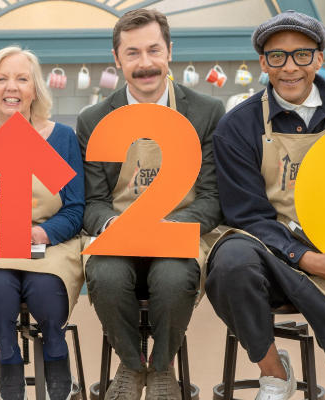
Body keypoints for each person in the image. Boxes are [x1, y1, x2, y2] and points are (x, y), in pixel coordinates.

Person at [205, 10, 325, 400]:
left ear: (320, 58)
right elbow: (247, 215)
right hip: (264, 261)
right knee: (230, 260)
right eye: (277, 56)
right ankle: (274, 374)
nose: (290, 67)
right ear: (263, 63)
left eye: (303, 55)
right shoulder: (238, 125)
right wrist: (308, 260)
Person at [77, 9, 224, 400]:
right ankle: (130, 363)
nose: (145, 64)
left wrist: (166, 229)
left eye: (154, 50)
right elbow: (92, 202)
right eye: (133, 53)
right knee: (105, 278)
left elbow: (211, 198)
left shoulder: (206, 112)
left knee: (173, 279)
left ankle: (161, 369)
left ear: (170, 52)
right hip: (119, 234)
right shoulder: (93, 120)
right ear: (117, 59)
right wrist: (115, 226)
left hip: (180, 230)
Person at [0, 46, 85, 400]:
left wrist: (39, 232)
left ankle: (56, 348)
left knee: (43, 290)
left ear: (35, 89)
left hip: (49, 245)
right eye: (2, 79)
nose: (12, 87)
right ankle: (8, 355)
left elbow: (74, 210)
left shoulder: (61, 138)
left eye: (22, 79)